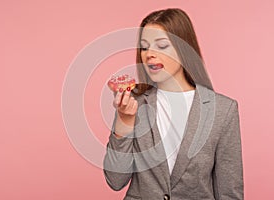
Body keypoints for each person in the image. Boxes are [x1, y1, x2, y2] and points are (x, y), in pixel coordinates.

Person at [103, 8, 244, 200]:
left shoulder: (223, 110)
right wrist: (124, 121)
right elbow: (115, 180)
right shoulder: (133, 103)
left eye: (161, 45)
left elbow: (229, 192)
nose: (149, 54)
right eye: (144, 47)